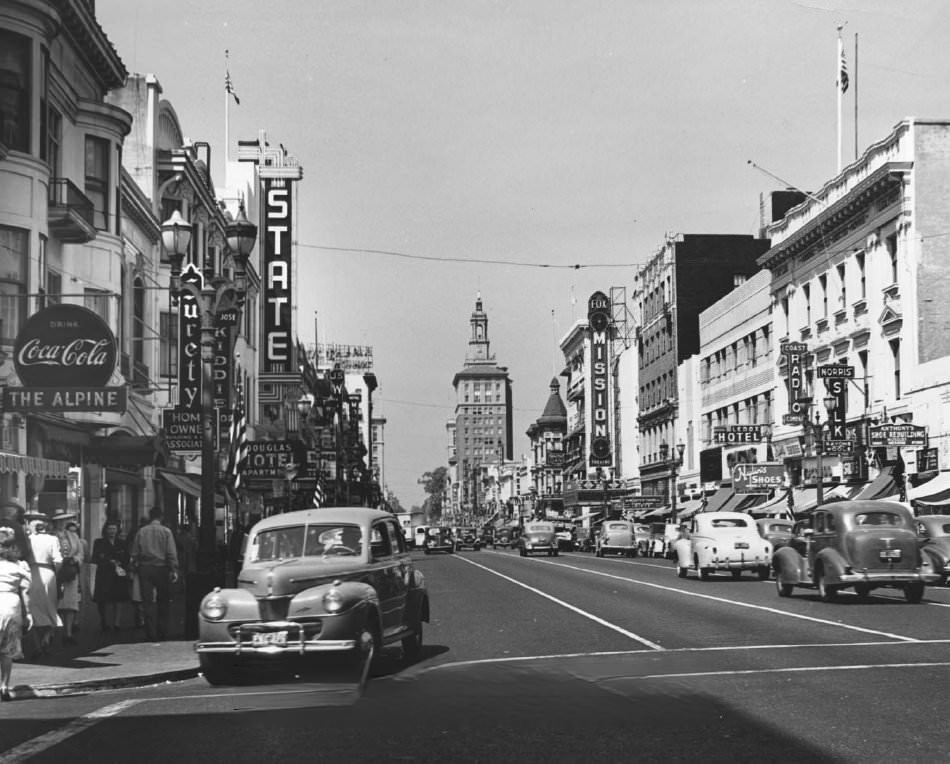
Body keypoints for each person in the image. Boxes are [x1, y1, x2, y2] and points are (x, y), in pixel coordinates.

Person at [130, 507, 179, 642]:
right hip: (161, 568)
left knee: (147, 602)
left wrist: (133, 568)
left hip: (145, 568)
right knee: (163, 601)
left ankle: (150, 633)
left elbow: (135, 553)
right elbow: (171, 553)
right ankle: (162, 631)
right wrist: (174, 569)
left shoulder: (142, 531)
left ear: (150, 517)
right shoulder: (166, 532)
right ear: (161, 517)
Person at [0, 526, 32, 701]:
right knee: (7, 650)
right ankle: (4, 686)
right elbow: (26, 593)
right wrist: (28, 615)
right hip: (12, 604)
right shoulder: (19, 567)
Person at [26, 517, 61, 658]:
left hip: (31, 572)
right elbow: (58, 560)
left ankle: (37, 646)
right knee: (50, 607)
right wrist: (57, 575)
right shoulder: (52, 539)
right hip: (48, 573)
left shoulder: (29, 539)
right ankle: (47, 636)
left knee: (33, 608)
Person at [91, 520, 130, 635]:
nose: (112, 531)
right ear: (105, 530)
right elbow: (95, 558)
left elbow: (127, 557)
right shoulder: (99, 542)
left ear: (117, 530)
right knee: (103, 599)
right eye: (110, 529)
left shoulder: (122, 543)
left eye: (114, 529)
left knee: (118, 598)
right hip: (104, 574)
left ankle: (117, 623)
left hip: (118, 573)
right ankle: (104, 621)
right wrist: (109, 561)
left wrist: (120, 562)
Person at [53, 511, 84, 645]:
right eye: (60, 521)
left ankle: (68, 632)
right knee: (55, 602)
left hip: (70, 573)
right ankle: (54, 632)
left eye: (64, 521)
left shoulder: (74, 536)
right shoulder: (51, 536)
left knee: (70, 604)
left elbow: (80, 553)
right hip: (55, 573)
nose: (62, 524)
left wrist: (74, 560)